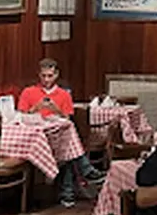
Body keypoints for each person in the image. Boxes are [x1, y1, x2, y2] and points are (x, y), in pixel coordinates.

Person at [16, 59, 104, 207]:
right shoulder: (28, 92)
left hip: (58, 135)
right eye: (43, 76)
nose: (46, 80)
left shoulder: (64, 95)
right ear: (39, 75)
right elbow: (20, 115)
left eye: (50, 76)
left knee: (67, 147)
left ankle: (68, 192)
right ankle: (83, 173)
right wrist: (36, 108)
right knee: (69, 148)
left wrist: (55, 109)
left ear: (56, 75)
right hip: (36, 137)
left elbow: (67, 118)